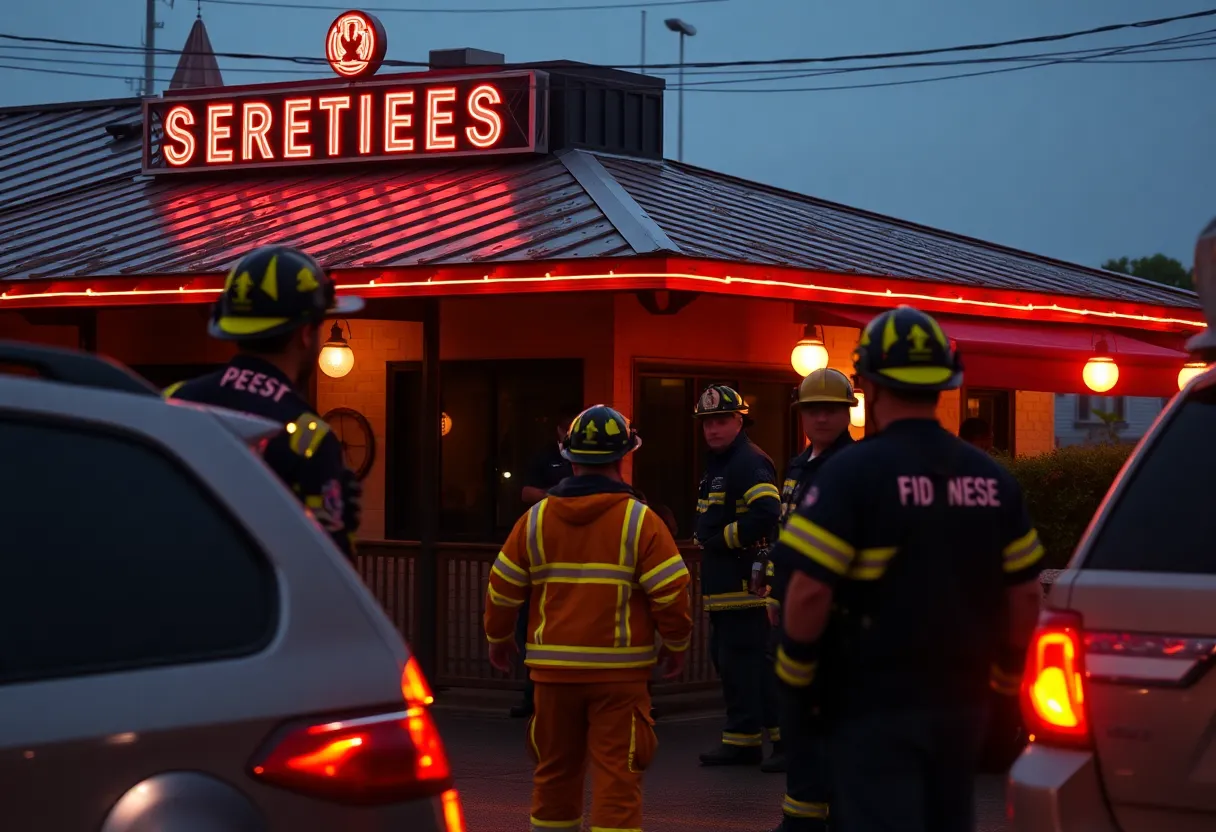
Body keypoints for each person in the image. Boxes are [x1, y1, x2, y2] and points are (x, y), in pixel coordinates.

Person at [770, 306, 1045, 832]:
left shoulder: (850, 475)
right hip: (964, 702)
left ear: (868, 383)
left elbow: (807, 593)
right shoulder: (992, 479)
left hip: (872, 704)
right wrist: (1007, 685)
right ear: (946, 380)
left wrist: (796, 683)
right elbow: (1027, 597)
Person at [483, 404, 693, 832]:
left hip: (552, 676)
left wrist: (498, 637)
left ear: (570, 457)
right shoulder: (643, 522)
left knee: (554, 777)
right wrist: (676, 645)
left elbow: (502, 588)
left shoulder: (535, 521)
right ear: (622, 457)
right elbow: (672, 594)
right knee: (617, 781)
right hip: (620, 677)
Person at [164, 244, 365, 561]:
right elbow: (329, 577)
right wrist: (343, 526)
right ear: (305, 333)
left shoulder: (173, 401)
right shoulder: (308, 438)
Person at [761, 368, 857, 831]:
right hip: (793, 604)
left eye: (831, 409)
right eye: (813, 409)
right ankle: (802, 813)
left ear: (847, 413)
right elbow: (789, 537)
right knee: (797, 717)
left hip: (836, 616)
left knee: (831, 718)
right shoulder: (797, 467)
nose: (821, 417)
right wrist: (775, 593)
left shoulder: (854, 468)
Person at [692, 384, 783, 767]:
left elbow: (766, 512)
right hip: (726, 584)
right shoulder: (721, 463)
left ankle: (782, 741)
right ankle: (743, 739)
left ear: (739, 421)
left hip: (746, 582)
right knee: (732, 662)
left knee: (749, 664)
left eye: (721, 420)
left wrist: (719, 541)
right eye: (707, 422)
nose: (713, 429)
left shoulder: (747, 461)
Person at [509, 408, 579, 719]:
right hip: (542, 562)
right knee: (531, 630)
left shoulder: (585, 461)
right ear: (558, 432)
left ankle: (566, 700)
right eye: (566, 432)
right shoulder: (544, 458)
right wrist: (555, 494)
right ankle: (532, 698)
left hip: (576, 561)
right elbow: (526, 492)